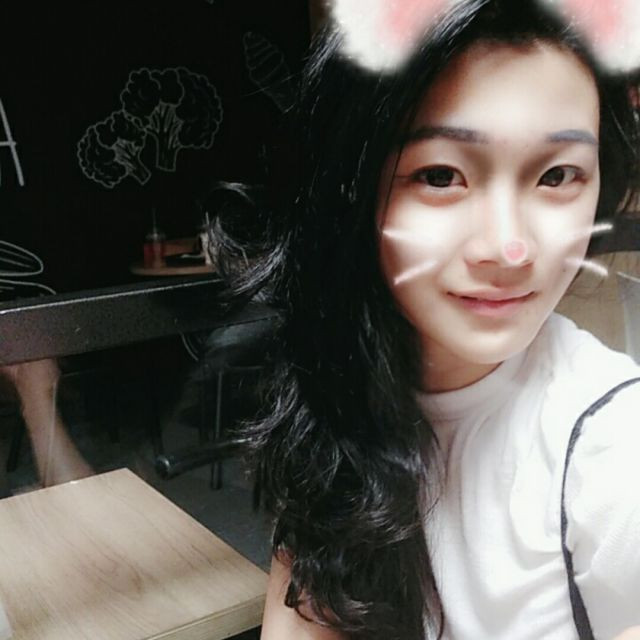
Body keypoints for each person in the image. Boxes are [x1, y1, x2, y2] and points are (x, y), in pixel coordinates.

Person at [215, 1, 640, 638]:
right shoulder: (334, 384)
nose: (509, 248)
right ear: (352, 189)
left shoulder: (613, 453)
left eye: (558, 175)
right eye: (441, 175)